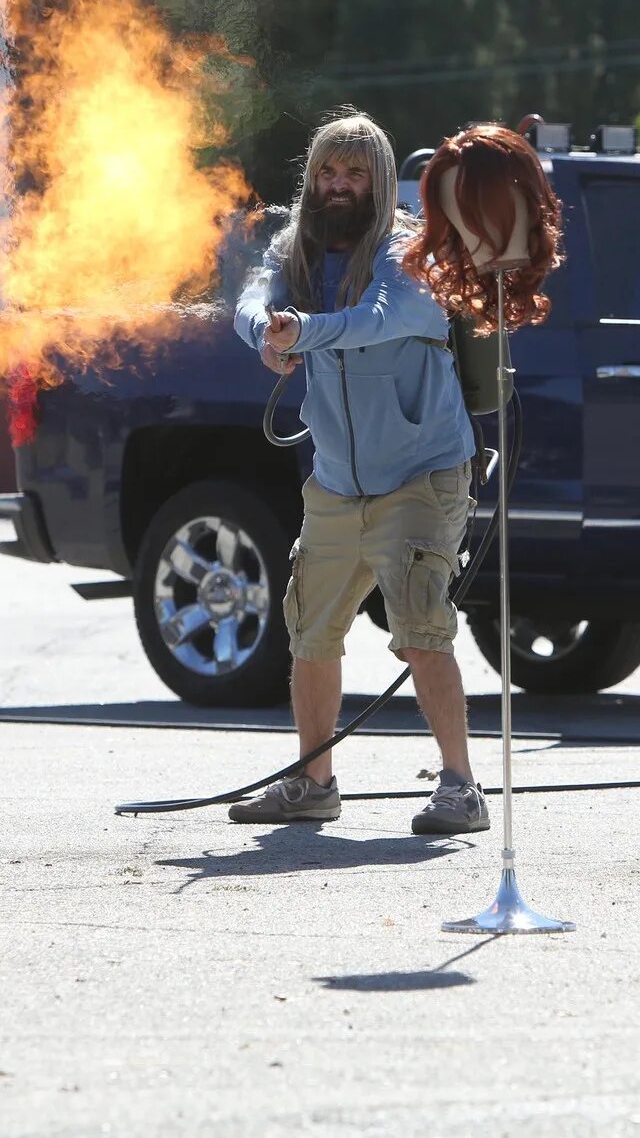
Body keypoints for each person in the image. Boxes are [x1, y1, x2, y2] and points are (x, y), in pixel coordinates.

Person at [229, 110, 487, 835]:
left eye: (354, 173)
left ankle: (461, 787)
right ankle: (314, 784)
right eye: (326, 173)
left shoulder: (412, 252)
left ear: (379, 181)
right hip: (338, 481)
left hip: (421, 475)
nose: (338, 186)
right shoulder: (296, 248)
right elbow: (252, 299)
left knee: (419, 629)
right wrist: (264, 331)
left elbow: (377, 318)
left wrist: (302, 331)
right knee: (310, 629)